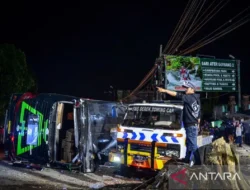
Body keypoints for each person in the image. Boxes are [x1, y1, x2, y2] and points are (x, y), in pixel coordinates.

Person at [157, 81, 201, 166]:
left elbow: (177, 95)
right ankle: (187, 159)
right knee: (189, 144)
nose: (185, 90)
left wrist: (165, 91)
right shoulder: (197, 99)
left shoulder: (189, 97)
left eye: (187, 88)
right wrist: (198, 125)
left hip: (191, 125)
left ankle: (198, 163)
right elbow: (199, 115)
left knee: (193, 145)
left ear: (192, 89)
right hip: (193, 125)